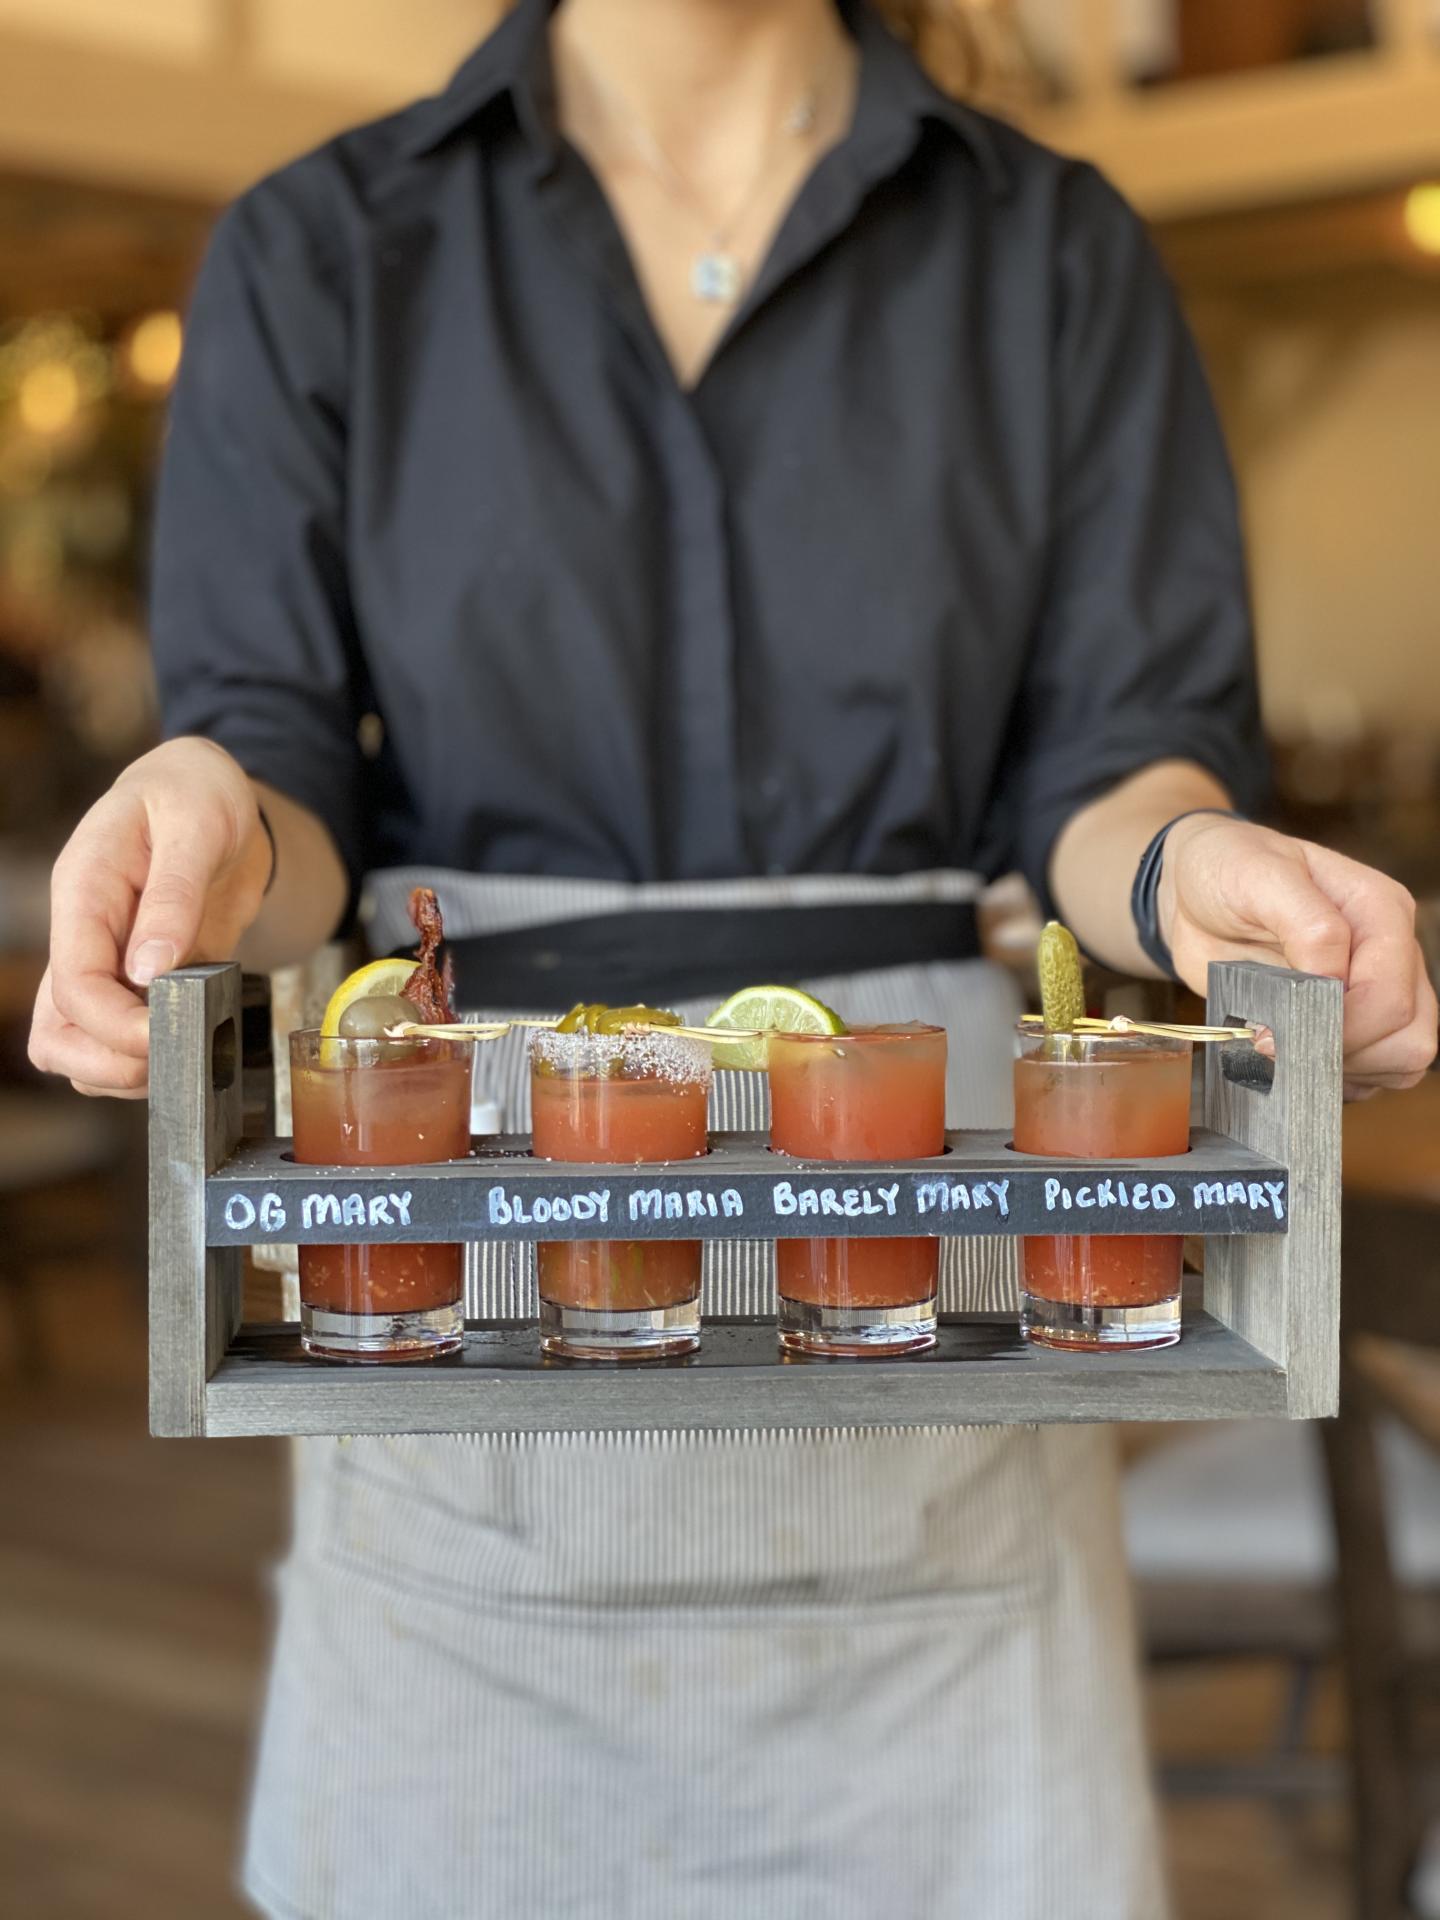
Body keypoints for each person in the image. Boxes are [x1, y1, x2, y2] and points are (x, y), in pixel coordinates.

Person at [31, 1, 1436, 1915]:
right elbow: (281, 788)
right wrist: (202, 804)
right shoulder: (324, 244)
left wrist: (1196, 863)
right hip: (470, 1212)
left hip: (936, 1253)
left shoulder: (1052, 246)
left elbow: (1117, 763)